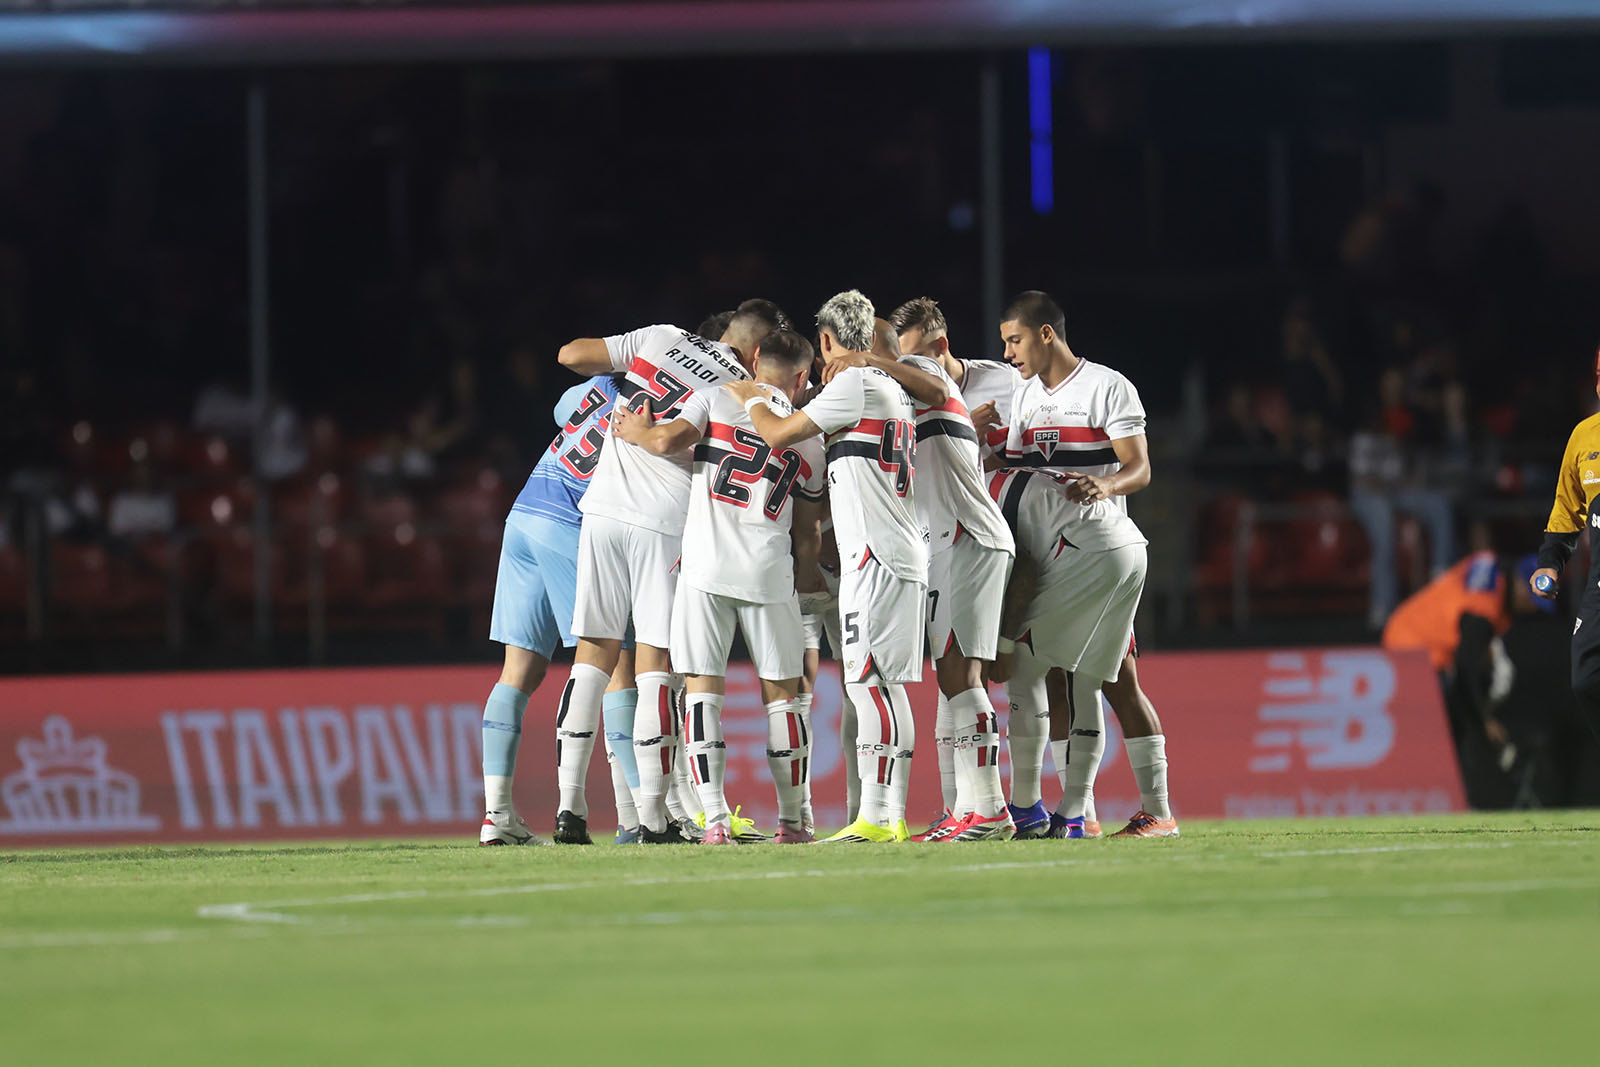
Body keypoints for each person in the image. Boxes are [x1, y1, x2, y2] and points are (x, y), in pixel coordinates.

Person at [551, 300, 785, 844]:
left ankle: (570, 809)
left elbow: (572, 355)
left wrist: (624, 382)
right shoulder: (739, 389)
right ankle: (654, 817)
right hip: (665, 522)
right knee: (656, 661)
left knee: (592, 653)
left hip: (602, 509)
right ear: (757, 351)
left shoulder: (658, 336)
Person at [728, 290, 943, 843]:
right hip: (892, 549)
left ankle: (876, 814)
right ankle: (885, 813)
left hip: (876, 554)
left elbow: (777, 434)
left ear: (825, 340)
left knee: (871, 684)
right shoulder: (885, 386)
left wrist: (752, 396)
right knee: (881, 683)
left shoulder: (854, 384)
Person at [614, 329, 826, 843]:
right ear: (801, 377)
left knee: (704, 695)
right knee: (784, 699)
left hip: (706, 569)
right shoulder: (811, 435)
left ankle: (713, 820)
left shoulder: (714, 396)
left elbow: (666, 441)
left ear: (755, 360)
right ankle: (793, 822)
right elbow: (809, 531)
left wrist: (635, 432)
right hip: (769, 573)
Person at [998, 290, 1176, 838]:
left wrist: (1106, 483)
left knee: (1116, 681)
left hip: (1099, 556)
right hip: (1054, 558)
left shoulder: (1106, 386)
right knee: (1055, 676)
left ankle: (1157, 810)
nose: (1008, 354)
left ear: (1046, 333)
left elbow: (1140, 467)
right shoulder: (1023, 397)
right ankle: (1084, 813)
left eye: (1015, 340)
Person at [867, 320, 1017, 842]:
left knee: (962, 676)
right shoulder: (897, 395)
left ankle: (992, 810)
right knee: (952, 679)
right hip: (947, 540)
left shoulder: (920, 369)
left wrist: (878, 362)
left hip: (966, 537)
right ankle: (967, 811)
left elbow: (930, 386)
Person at [479, 374, 639, 845]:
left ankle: (498, 817)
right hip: (572, 526)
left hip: (525, 516)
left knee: (518, 672)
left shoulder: (600, 385)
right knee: (617, 666)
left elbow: (561, 413)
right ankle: (638, 817)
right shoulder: (662, 403)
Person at [988, 465, 1155, 831]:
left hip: (1089, 550)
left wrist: (1001, 646)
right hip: (1132, 549)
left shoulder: (981, 493)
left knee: (1024, 668)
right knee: (1088, 683)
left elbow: (1023, 572)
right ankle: (1075, 814)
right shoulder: (1018, 478)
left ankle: (1026, 806)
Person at [1530, 354, 1600, 747]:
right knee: (1586, 680)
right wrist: (1551, 562)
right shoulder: (1584, 437)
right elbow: (1565, 512)